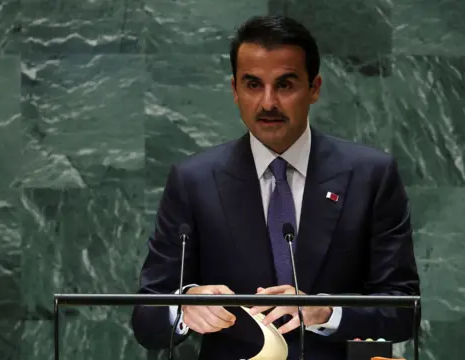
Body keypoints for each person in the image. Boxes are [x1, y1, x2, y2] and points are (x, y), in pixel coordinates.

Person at [131, 15, 420, 360]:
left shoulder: (370, 175)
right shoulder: (194, 180)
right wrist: (184, 307)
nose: (268, 103)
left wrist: (326, 313)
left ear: (314, 89)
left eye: (285, 85)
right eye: (253, 85)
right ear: (235, 90)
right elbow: (147, 320)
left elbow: (404, 311)